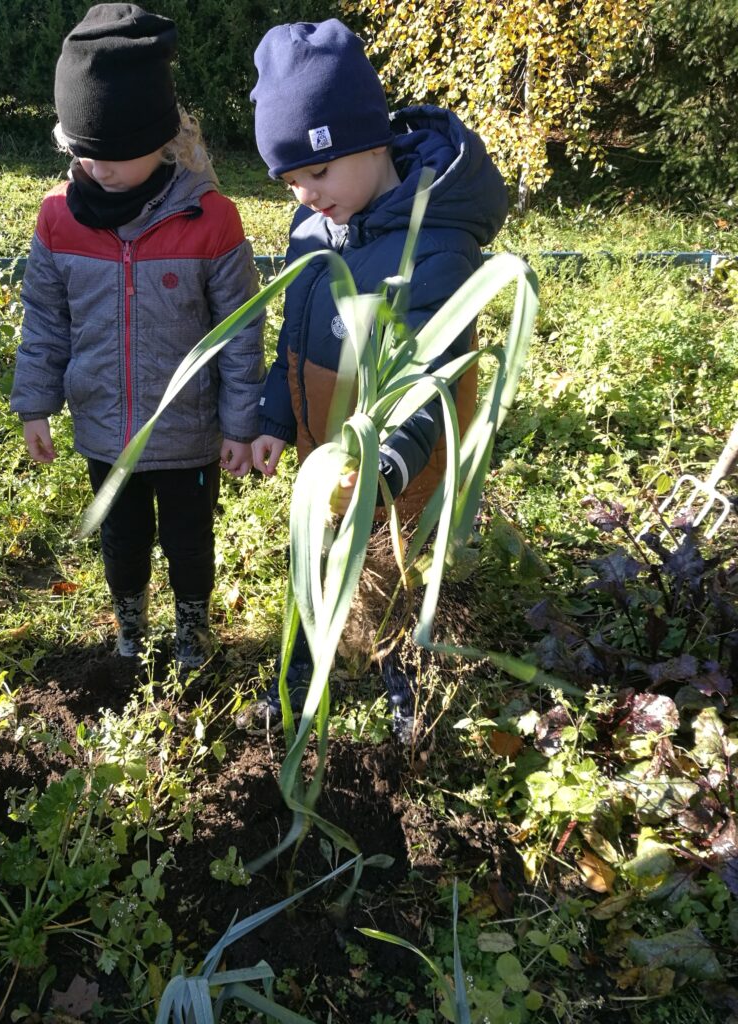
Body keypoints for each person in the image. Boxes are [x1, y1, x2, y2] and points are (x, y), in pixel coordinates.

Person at [239, 18, 508, 736]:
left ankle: (403, 684)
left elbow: (435, 373)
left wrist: (390, 462)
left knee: (391, 579)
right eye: (289, 180)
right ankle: (299, 666)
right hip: (321, 457)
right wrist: (273, 418)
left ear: (370, 140)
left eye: (317, 171)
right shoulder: (314, 231)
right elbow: (292, 338)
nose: (304, 194)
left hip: (402, 472)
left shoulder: (437, 246)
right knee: (312, 561)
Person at [10, 3, 265, 670]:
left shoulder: (210, 221)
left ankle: (191, 631)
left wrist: (240, 425)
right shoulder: (58, 220)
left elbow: (239, 333)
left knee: (189, 540)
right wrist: (34, 401)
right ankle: (130, 630)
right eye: (84, 154)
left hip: (187, 435)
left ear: (162, 137)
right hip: (103, 431)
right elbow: (44, 317)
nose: (99, 170)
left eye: (116, 155)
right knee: (122, 541)